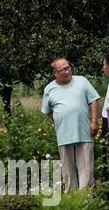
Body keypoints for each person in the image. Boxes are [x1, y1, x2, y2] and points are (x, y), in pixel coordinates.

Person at [40, 57, 100, 191]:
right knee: (68, 172)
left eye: (68, 67)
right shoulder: (49, 89)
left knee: (86, 171)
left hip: (84, 132)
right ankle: (73, 204)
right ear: (55, 73)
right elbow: (47, 111)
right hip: (64, 135)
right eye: (63, 70)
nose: (67, 71)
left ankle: (86, 202)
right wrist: (62, 119)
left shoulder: (82, 81)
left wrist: (94, 122)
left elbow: (94, 100)